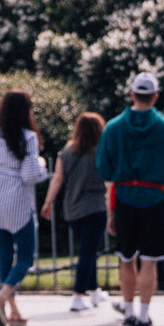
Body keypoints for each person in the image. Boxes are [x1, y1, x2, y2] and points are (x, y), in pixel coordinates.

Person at [97, 71, 164, 326]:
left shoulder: (114, 128)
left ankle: (128, 312)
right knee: (149, 260)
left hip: (124, 197)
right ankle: (143, 316)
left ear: (132, 95)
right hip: (154, 197)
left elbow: (103, 167)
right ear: (155, 96)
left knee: (126, 258)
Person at [0, 89, 49, 326]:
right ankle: (2, 299)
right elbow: (29, 175)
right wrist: (42, 166)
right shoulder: (29, 137)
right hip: (19, 201)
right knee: (25, 257)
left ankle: (13, 312)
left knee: (4, 256)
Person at [43, 111, 108, 314]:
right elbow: (109, 179)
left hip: (72, 208)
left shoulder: (67, 151)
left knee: (89, 250)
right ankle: (78, 295)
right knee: (88, 252)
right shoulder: (101, 151)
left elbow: (58, 178)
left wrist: (48, 201)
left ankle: (94, 291)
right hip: (96, 206)